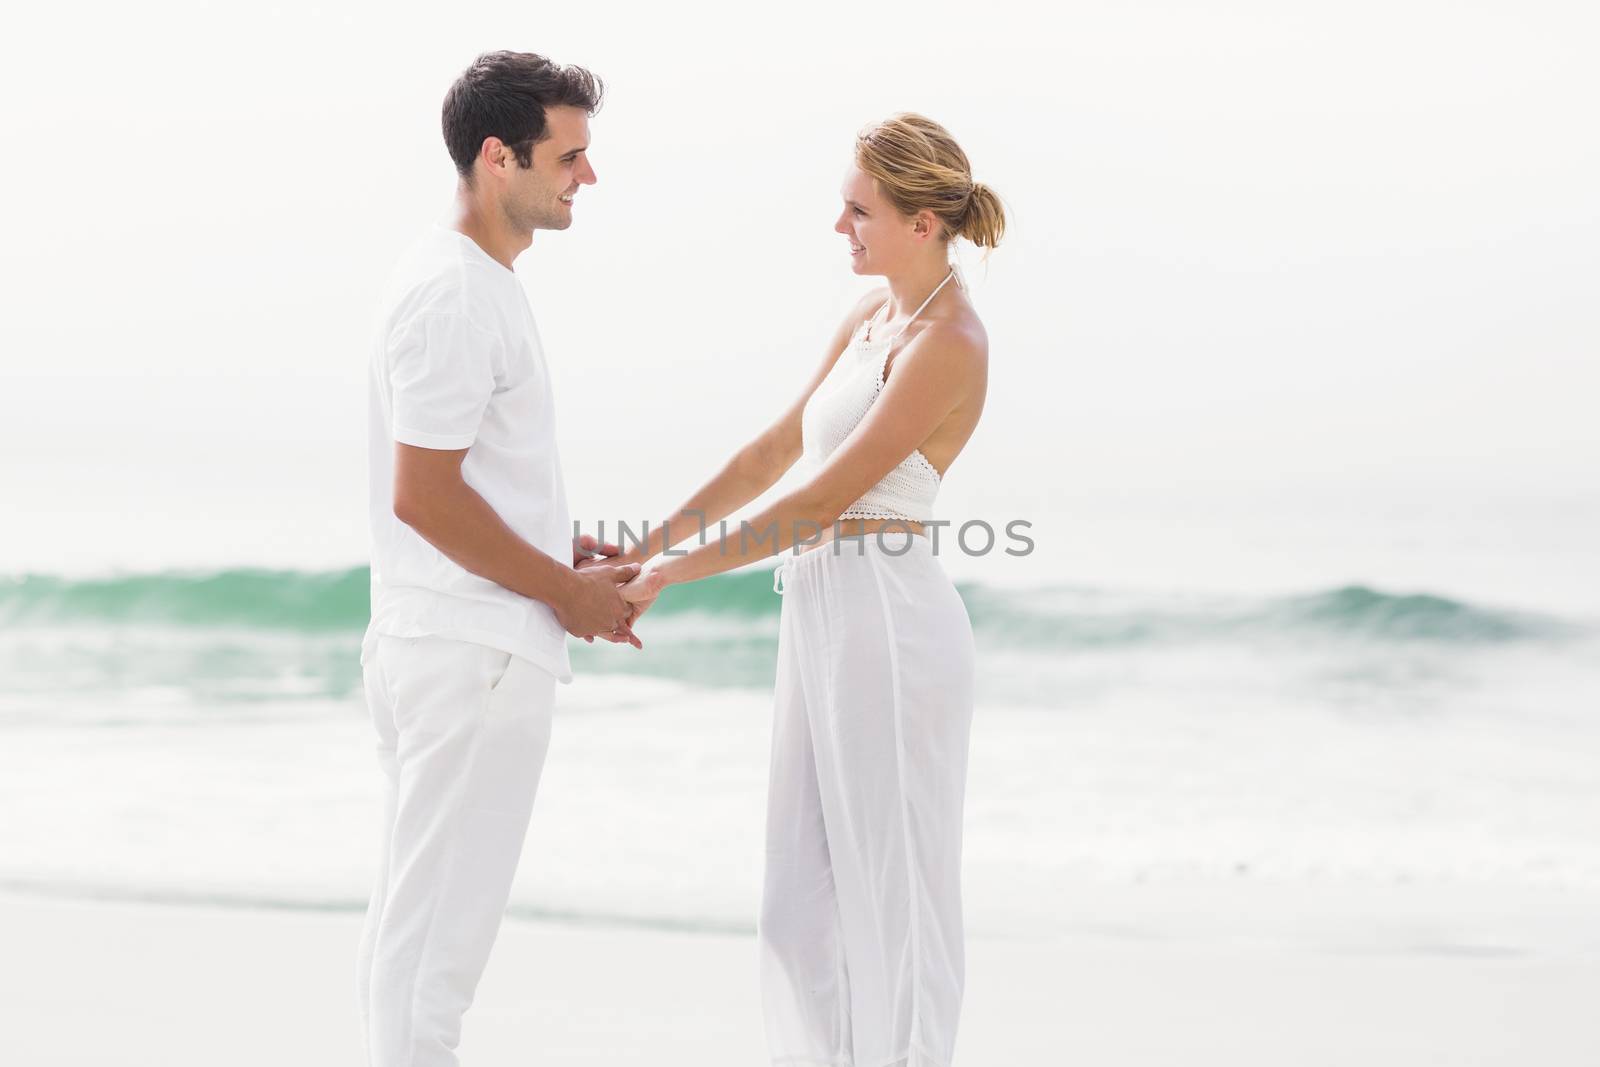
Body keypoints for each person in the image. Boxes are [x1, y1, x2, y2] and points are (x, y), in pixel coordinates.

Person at [618, 113, 1005, 1067]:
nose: (841, 228)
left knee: (899, 904)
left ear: (922, 222)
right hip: (820, 613)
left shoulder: (951, 338)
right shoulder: (870, 319)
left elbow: (828, 495)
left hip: (891, 620)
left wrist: (675, 575)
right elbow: (770, 454)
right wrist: (642, 547)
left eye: (859, 210)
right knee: (796, 906)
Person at [357, 51, 639, 1067]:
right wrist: (564, 590)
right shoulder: (454, 293)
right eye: (568, 157)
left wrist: (556, 536)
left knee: (417, 927)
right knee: (435, 948)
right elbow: (422, 494)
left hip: (454, 640)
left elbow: (465, 476)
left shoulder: (477, 282)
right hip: (468, 651)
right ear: (496, 156)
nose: (585, 178)